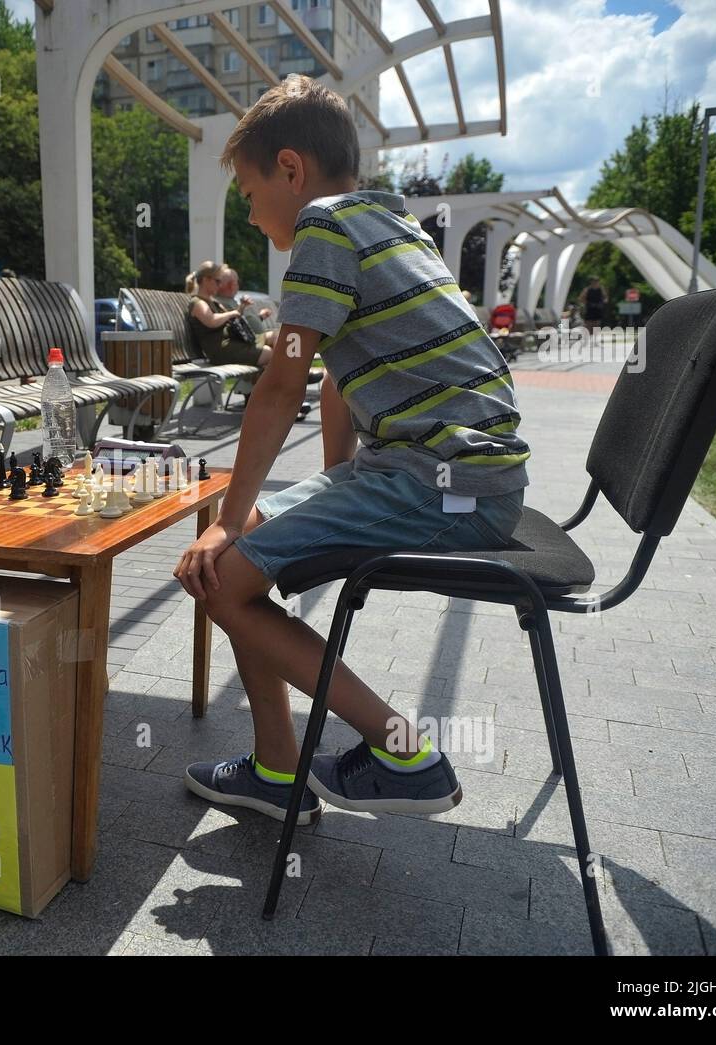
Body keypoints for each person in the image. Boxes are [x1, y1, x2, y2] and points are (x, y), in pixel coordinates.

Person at [174, 74, 530, 825]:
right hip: (450, 474)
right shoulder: (392, 225)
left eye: (247, 187)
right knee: (224, 557)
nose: (246, 206)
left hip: (445, 483)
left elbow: (280, 387)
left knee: (220, 568)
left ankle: (404, 752)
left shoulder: (324, 228)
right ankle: (277, 768)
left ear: (291, 170)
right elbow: (339, 379)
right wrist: (332, 483)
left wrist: (232, 522)